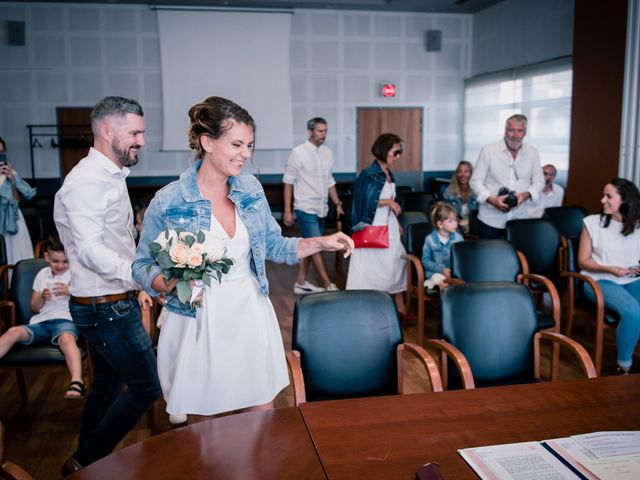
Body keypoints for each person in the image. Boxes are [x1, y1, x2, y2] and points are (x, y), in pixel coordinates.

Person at [132, 96, 353, 419]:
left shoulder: (250, 189)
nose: (246, 154)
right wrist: (169, 282)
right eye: (237, 144)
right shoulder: (169, 200)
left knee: (262, 418)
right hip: (198, 321)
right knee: (204, 428)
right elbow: (141, 266)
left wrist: (323, 241)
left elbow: (276, 246)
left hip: (249, 312)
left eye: (249, 145)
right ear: (207, 142)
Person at [54, 96, 161, 474]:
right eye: (135, 132)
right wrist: (143, 274)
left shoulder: (109, 176)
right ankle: (85, 460)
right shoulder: (86, 181)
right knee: (148, 387)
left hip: (109, 302)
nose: (142, 141)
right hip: (106, 306)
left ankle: (84, 463)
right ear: (106, 131)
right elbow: (88, 250)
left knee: (106, 387)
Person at [0, 234, 84, 399]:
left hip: (66, 321)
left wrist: (70, 291)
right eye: (55, 261)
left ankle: (77, 381)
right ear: (47, 257)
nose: (60, 266)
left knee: (66, 339)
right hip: (40, 322)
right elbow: (34, 308)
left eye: (65, 262)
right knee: (13, 332)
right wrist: (42, 297)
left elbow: (87, 300)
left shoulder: (77, 275)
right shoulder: (42, 275)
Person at [578, 178, 640, 375]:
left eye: (609, 196)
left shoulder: (638, 225)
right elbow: (583, 261)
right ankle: (624, 367)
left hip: (631, 280)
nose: (603, 200)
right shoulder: (592, 223)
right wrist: (610, 269)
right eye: (604, 195)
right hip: (599, 280)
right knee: (633, 312)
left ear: (625, 201)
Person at [346, 133, 408, 317]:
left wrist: (395, 221)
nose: (398, 156)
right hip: (372, 224)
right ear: (384, 150)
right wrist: (388, 203)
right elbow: (363, 201)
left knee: (396, 261)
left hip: (388, 223)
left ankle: (395, 301)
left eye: (400, 153)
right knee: (373, 266)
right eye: (395, 152)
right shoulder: (369, 174)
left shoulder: (389, 173)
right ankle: (369, 304)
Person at [283, 117, 344, 294]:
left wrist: (337, 203)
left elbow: (330, 181)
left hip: (322, 208)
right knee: (318, 244)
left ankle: (300, 282)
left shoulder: (327, 153)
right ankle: (327, 285)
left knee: (311, 244)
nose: (323, 134)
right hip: (305, 207)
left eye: (325, 131)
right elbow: (288, 181)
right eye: (320, 131)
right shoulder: (298, 152)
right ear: (310, 132)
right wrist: (288, 210)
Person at [469, 114, 544, 238]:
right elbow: (475, 181)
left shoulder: (532, 152)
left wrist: (525, 195)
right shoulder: (488, 151)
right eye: (511, 130)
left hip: (520, 219)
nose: (515, 135)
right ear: (505, 131)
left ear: (525, 132)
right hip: (490, 220)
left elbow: (539, 182)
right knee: (489, 257)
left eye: (519, 131)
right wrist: (491, 200)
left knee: (517, 256)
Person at [0, 136, 36, 265]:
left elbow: (17, 200)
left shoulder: (10, 172)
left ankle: (15, 283)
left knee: (16, 255)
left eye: (2, 152)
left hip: (12, 218)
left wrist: (12, 180)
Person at [421, 202, 464, 289]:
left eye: (455, 220)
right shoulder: (429, 239)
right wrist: (441, 269)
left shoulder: (458, 238)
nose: (455, 224)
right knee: (442, 282)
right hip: (435, 273)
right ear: (440, 224)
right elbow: (426, 261)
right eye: (450, 221)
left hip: (454, 273)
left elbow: (462, 258)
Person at [442, 160, 478, 234]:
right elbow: (445, 212)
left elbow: (481, 213)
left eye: (466, 171)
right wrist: (453, 219)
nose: (462, 174)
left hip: (474, 228)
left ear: (471, 174)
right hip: (455, 228)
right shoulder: (449, 191)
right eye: (460, 171)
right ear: (456, 174)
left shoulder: (477, 191)